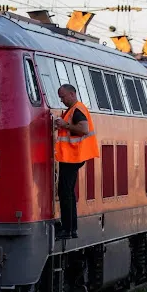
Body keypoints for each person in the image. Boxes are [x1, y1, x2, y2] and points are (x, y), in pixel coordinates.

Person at [54, 84, 99, 240]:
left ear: (72, 94)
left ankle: (68, 229)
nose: (62, 100)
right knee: (68, 193)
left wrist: (64, 125)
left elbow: (84, 128)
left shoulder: (77, 109)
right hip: (71, 156)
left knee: (65, 193)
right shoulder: (73, 109)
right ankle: (70, 229)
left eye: (63, 97)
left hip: (73, 156)